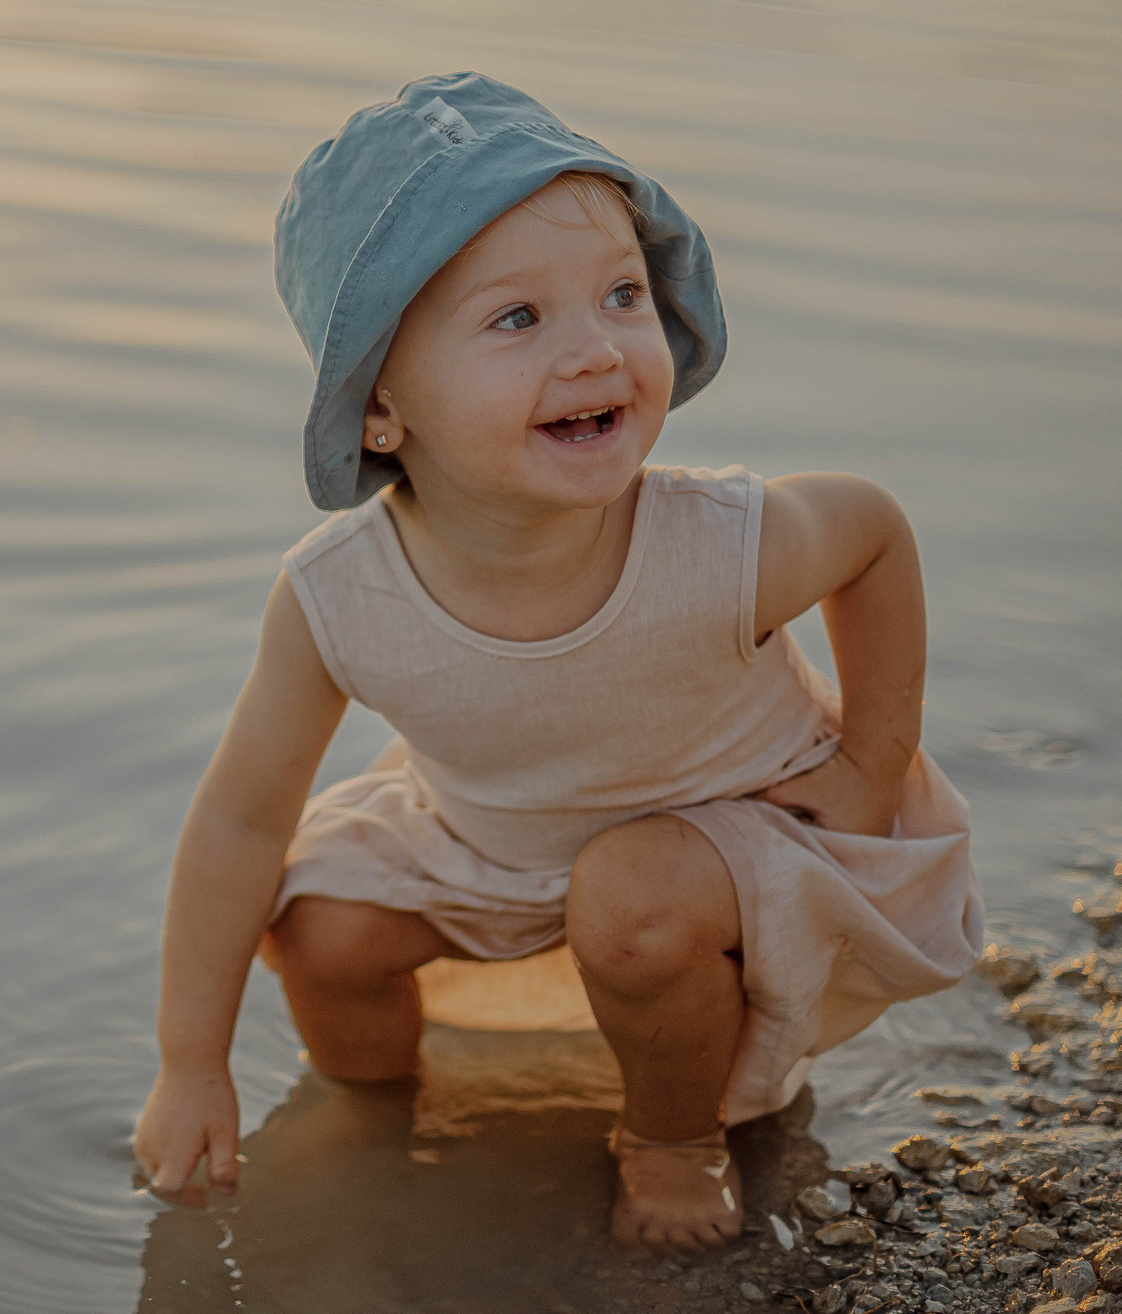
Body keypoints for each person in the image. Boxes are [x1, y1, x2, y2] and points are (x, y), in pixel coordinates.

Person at [131, 74, 984, 1255]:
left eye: (623, 296)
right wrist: (192, 1065)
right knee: (319, 925)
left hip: (723, 845)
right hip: (492, 841)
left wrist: (871, 763)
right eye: (517, 319)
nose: (596, 351)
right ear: (380, 405)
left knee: (630, 893)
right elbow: (237, 819)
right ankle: (382, 1125)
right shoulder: (339, 596)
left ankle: (673, 1134)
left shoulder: (715, 547)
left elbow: (874, 533)